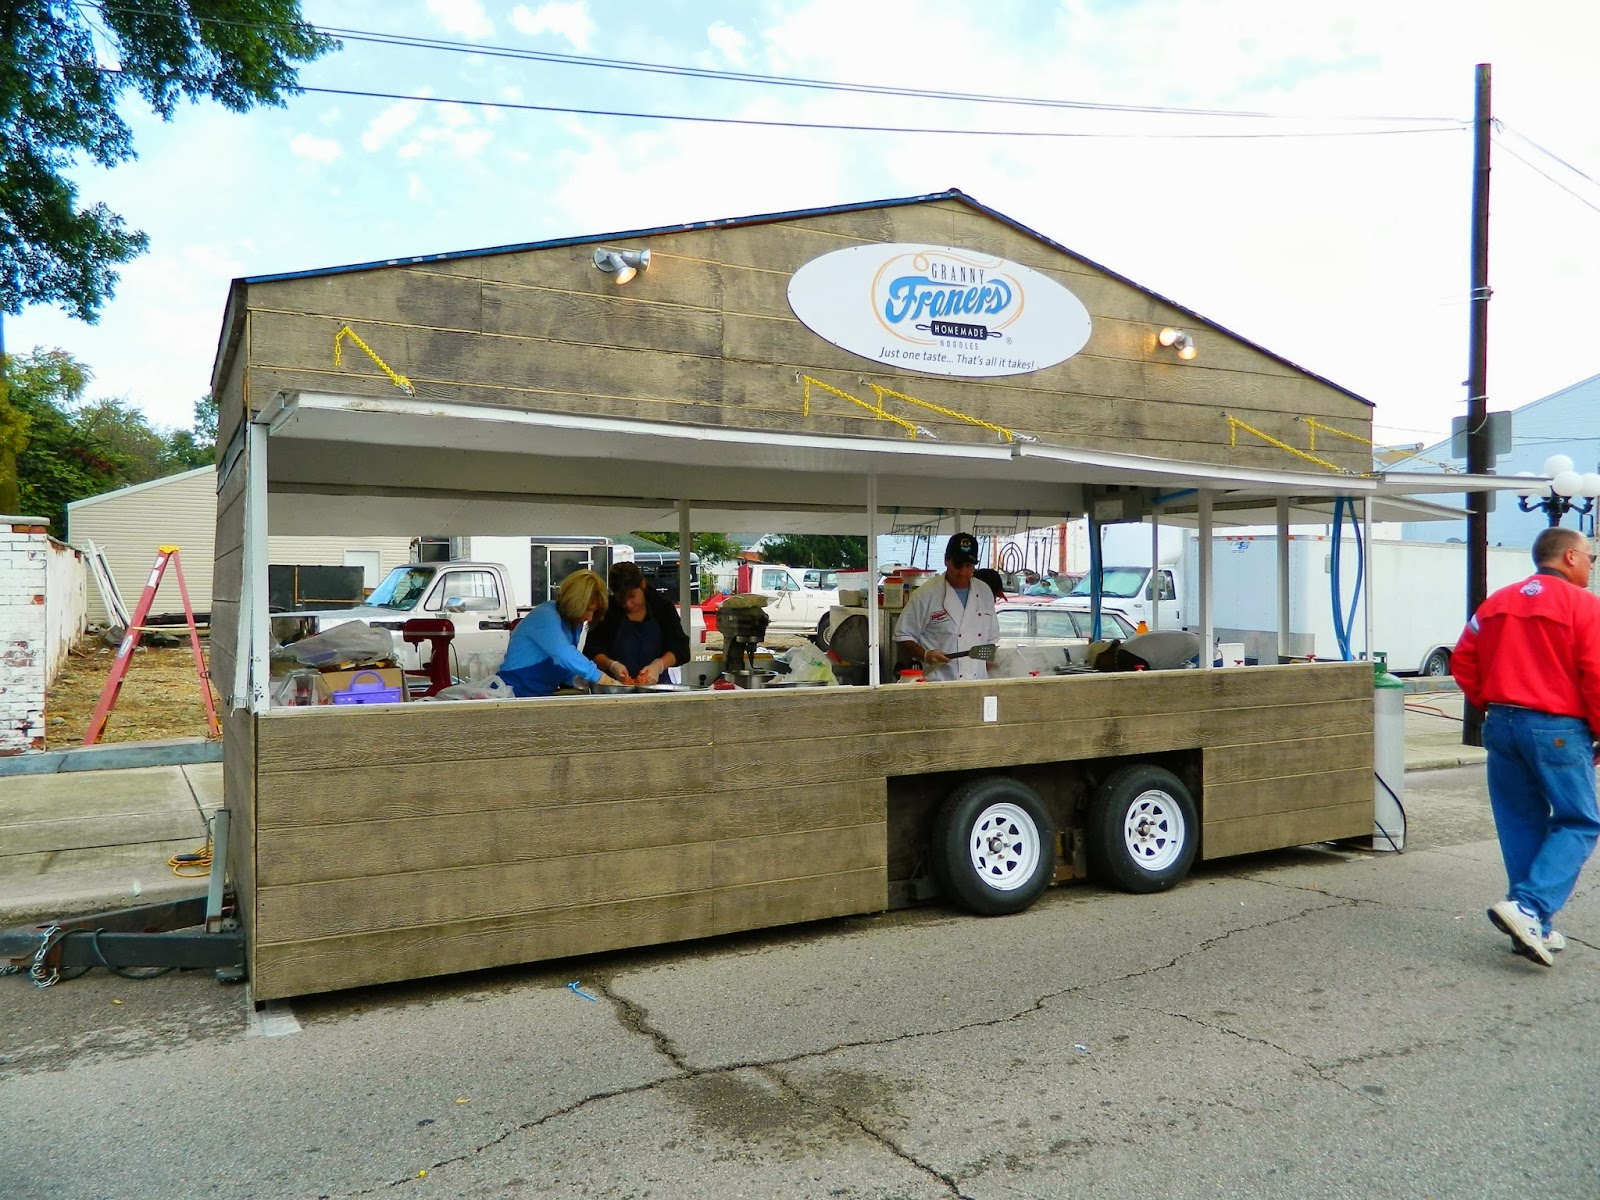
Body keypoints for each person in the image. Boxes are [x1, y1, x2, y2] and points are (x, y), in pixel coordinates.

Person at [1452, 525, 1600, 966]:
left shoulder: (1496, 603)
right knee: (1580, 821)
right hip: (1557, 726)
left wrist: (1489, 701)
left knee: (1520, 821)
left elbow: (1463, 658)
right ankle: (1531, 908)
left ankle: (1532, 923)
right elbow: (1596, 673)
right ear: (1570, 556)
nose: (1592, 566)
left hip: (1501, 722)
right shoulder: (1585, 606)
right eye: (1590, 557)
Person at [896, 532, 999, 682]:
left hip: (978, 682)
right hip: (939, 682)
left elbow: (991, 641)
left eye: (968, 566)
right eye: (958, 565)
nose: (962, 572)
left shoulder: (984, 592)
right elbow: (903, 636)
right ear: (946, 560)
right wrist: (925, 655)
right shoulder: (925, 594)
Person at [497, 570, 614, 697]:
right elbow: (564, 655)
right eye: (587, 610)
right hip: (511, 695)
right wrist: (604, 679)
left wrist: (579, 680)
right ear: (574, 603)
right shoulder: (544, 616)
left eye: (594, 612)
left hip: (538, 696)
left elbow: (564, 666)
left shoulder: (574, 623)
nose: (590, 618)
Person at [585, 561, 692, 686]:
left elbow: (681, 649)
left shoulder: (662, 608)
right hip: (615, 687)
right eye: (621, 599)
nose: (628, 604)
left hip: (657, 688)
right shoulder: (607, 612)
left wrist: (658, 665)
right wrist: (611, 665)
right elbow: (591, 651)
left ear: (643, 584)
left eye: (632, 596)